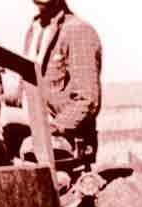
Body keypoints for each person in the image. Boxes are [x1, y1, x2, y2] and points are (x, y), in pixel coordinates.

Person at [24, 0, 102, 172]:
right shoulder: (34, 31)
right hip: (35, 146)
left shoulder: (78, 31)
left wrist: (50, 129)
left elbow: (87, 100)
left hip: (65, 152)